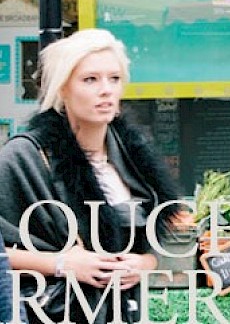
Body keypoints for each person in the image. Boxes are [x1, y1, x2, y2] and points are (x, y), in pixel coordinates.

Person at [0, 29, 184, 323]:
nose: (106, 90)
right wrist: (60, 263)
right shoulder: (24, 157)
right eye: (90, 79)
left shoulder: (134, 159)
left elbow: (155, 245)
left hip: (125, 312)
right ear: (62, 88)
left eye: (114, 79)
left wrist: (145, 263)